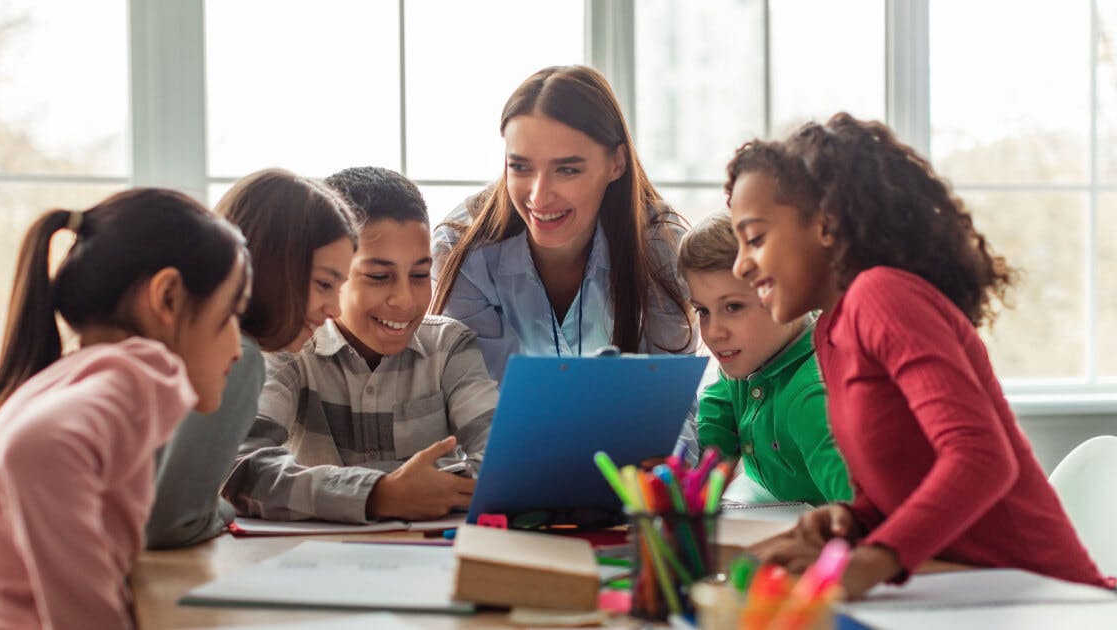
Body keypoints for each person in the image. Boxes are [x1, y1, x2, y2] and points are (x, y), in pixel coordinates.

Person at [729, 113, 1108, 598]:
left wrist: (873, 561)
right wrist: (852, 521)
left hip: (1046, 598)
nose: (742, 264)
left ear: (825, 222)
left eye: (756, 238)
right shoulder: (831, 333)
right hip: (966, 593)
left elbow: (981, 458)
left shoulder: (882, 296)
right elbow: (900, 490)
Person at [0, 189, 249, 629]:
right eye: (232, 312)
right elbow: (39, 445)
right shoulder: (122, 383)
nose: (237, 347)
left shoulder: (84, 377)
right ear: (168, 298)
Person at [223, 167, 497, 523]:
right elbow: (242, 469)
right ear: (334, 273)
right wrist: (380, 494)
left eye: (419, 275)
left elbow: (498, 464)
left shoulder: (449, 346)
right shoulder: (290, 349)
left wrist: (395, 489)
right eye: (379, 277)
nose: (404, 300)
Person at [431, 65, 696, 383]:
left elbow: (668, 404)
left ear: (616, 163)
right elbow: (480, 404)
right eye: (520, 167)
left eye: (567, 170)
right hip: (512, 433)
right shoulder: (460, 250)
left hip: (633, 433)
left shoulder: (660, 248)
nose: (539, 198)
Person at [145, 169, 358, 548]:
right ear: (273, 266)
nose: (335, 310)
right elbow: (172, 523)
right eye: (324, 284)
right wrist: (223, 510)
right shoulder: (235, 358)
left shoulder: (178, 341)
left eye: (340, 288)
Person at [680, 212, 850, 505]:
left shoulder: (811, 398)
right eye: (703, 311)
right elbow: (712, 435)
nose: (714, 332)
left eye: (733, 306)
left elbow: (861, 514)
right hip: (776, 510)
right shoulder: (746, 365)